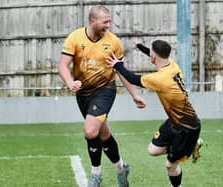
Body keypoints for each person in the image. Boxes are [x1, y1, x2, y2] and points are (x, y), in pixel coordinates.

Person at [59, 5, 146, 187]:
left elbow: (121, 71)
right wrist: (69, 82)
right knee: (103, 134)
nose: (108, 25)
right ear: (93, 21)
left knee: (90, 131)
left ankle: (96, 176)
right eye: (105, 22)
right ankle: (121, 168)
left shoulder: (113, 42)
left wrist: (134, 94)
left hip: (105, 90)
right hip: (83, 93)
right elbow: (63, 65)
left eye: (109, 21)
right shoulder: (75, 38)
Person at [107, 39, 202, 187]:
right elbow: (154, 55)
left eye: (150, 52)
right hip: (174, 121)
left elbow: (132, 78)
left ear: (154, 57)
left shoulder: (160, 78)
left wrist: (117, 65)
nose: (150, 54)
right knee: (153, 150)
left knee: (170, 166)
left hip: (188, 129)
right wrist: (140, 46)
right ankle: (188, 148)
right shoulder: (172, 65)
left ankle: (178, 183)